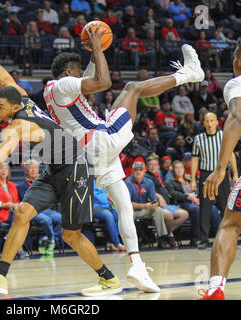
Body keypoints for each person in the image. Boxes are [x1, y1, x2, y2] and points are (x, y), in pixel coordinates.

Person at [0, 6, 121, 297]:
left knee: (70, 236)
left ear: (11, 106)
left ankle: (108, 279)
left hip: (75, 169)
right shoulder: (18, 97)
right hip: (53, 169)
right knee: (21, 212)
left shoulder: (16, 126)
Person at [44, 22, 204, 293]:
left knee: (124, 207)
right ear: (69, 73)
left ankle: (137, 266)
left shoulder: (57, 91)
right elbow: (103, 81)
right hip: (100, 140)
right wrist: (96, 45)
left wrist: (95, 51)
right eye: (77, 71)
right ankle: (190, 74)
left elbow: (93, 71)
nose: (80, 74)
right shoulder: (62, 85)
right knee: (132, 88)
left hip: (92, 154)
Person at [198, 38, 241, 300]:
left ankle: (215, 290)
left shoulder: (237, 83)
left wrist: (220, 168)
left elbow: (237, 118)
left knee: (230, 225)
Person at [191, 111, 238, 251]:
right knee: (204, 209)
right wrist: (193, 179)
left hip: (222, 176)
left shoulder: (224, 136)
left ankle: (226, 237)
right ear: (203, 123)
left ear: (217, 122)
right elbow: (195, 159)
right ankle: (204, 239)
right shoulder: (198, 139)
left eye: (212, 120)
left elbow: (231, 155)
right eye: (207, 121)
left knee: (226, 208)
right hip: (205, 176)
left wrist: (235, 173)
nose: (210, 123)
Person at [165, 160, 220, 247]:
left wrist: (196, 197)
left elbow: (198, 190)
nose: (179, 170)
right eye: (176, 168)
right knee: (197, 210)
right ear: (173, 170)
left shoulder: (189, 179)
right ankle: (196, 238)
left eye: (181, 168)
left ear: (184, 169)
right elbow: (172, 194)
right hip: (181, 203)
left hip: (194, 201)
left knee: (212, 208)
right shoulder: (170, 181)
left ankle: (219, 235)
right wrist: (186, 197)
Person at [17, 159, 62, 256]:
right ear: (26, 171)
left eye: (35, 168)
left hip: (46, 209)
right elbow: (26, 200)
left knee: (62, 218)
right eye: (30, 168)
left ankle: (48, 239)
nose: (33, 170)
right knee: (46, 220)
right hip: (33, 211)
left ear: (38, 170)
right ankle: (51, 240)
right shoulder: (21, 186)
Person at [145, 153, 189, 247]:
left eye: (155, 165)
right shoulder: (146, 177)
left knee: (184, 214)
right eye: (150, 165)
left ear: (158, 166)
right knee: (168, 216)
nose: (153, 167)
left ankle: (168, 234)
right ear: (147, 167)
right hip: (156, 205)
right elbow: (147, 191)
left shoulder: (158, 175)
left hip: (167, 204)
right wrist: (159, 196)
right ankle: (166, 237)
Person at [125, 159, 171, 249]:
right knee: (127, 215)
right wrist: (145, 206)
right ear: (132, 171)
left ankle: (162, 238)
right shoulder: (127, 183)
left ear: (144, 171)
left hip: (144, 210)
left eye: (140, 170)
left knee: (158, 210)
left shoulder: (149, 182)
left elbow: (153, 199)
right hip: (131, 211)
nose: (138, 172)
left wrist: (155, 204)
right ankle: (130, 241)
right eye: (136, 170)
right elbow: (127, 204)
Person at [93, 180, 125, 252]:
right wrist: (107, 197)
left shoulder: (102, 179)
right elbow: (94, 195)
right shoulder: (89, 181)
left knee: (117, 214)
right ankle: (117, 243)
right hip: (95, 206)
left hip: (107, 205)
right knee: (109, 216)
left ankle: (110, 242)